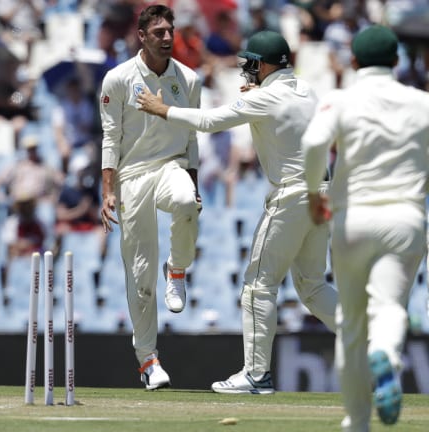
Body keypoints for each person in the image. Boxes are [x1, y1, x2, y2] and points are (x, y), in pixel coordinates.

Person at [136, 30, 338, 395]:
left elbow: (211, 122)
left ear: (265, 65)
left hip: (291, 196)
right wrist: (257, 96)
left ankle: (256, 375)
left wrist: (161, 108)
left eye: (252, 65)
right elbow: (282, 114)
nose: (248, 72)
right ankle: (370, 340)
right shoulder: (306, 90)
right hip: (322, 193)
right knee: (312, 286)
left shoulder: (268, 98)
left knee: (257, 285)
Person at [302, 25, 429, 431]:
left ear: (353, 62)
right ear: (396, 61)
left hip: (352, 220)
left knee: (352, 326)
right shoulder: (422, 103)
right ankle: (389, 355)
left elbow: (313, 144)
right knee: (390, 306)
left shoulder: (341, 99)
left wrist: (311, 192)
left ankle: (357, 422)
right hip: (405, 219)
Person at [99, 4, 201, 391]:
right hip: (132, 177)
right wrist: (108, 190)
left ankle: (177, 269)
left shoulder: (189, 80)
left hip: (171, 166)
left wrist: (195, 182)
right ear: (141, 36)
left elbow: (192, 139)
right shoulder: (118, 78)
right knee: (141, 275)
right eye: (157, 31)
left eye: (169, 30)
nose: (166, 37)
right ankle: (148, 360)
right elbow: (110, 137)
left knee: (187, 202)